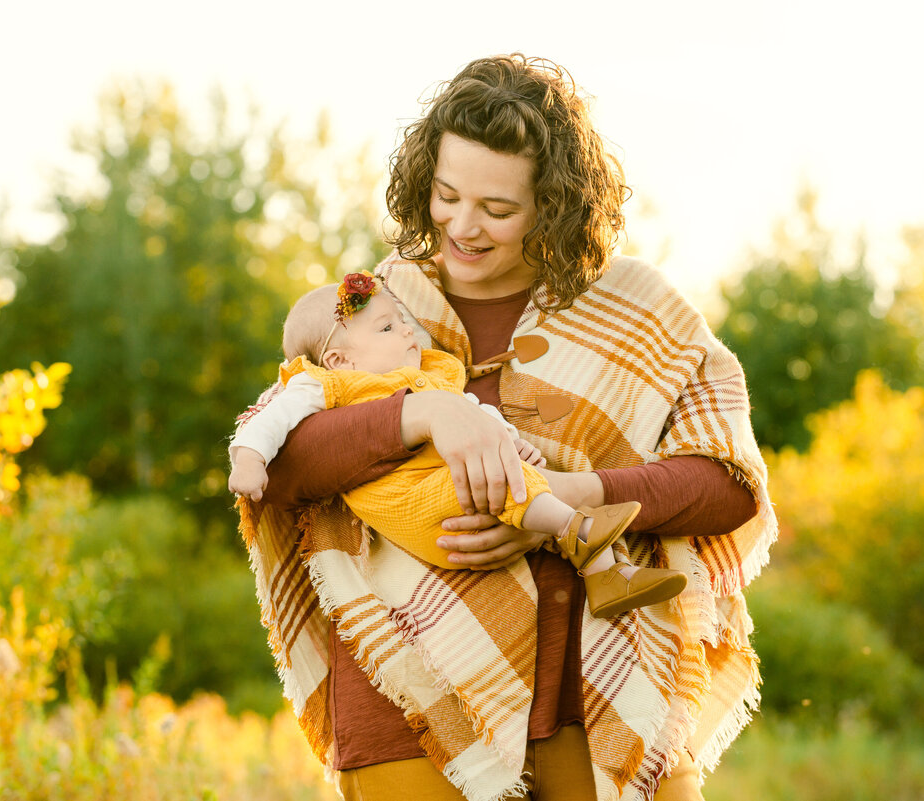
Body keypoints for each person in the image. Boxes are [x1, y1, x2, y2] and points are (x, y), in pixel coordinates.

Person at [233, 54, 775, 801]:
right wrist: (425, 411)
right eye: (446, 195)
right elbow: (285, 464)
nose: (460, 225)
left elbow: (727, 483)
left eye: (497, 207)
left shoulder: (638, 308)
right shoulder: (370, 305)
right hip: (410, 702)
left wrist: (561, 498)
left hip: (602, 696)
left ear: (554, 206)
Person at [228, 272, 688, 618]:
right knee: (492, 480)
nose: (407, 332)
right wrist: (248, 461)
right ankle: (579, 526)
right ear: (338, 358)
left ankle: (610, 578)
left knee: (499, 472)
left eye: (402, 322)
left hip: (446, 487)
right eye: (386, 329)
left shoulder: (429, 373)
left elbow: (474, 417)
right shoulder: (325, 386)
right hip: (413, 502)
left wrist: (508, 441)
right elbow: (269, 423)